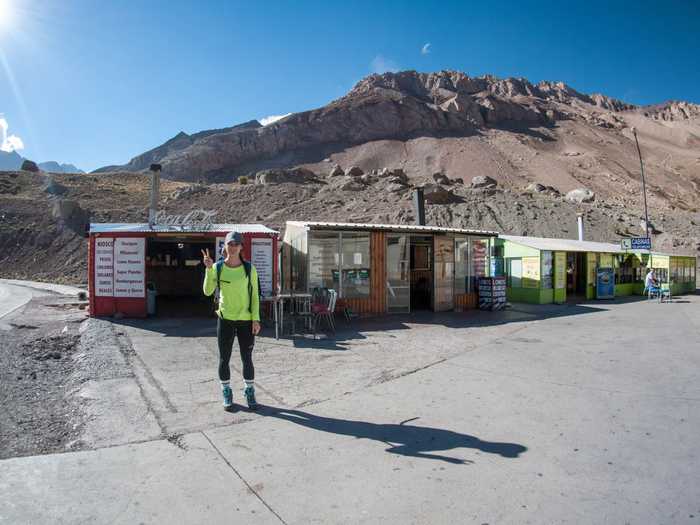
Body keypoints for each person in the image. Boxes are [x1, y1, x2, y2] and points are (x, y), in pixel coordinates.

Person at [202, 231, 261, 411]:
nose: (233, 247)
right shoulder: (217, 268)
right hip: (225, 319)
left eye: (236, 244)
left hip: (245, 320)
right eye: (230, 244)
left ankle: (249, 391)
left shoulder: (249, 269)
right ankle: (226, 391)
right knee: (224, 359)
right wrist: (208, 269)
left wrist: (255, 319)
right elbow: (207, 291)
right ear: (225, 246)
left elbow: (255, 296)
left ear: (241, 247)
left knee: (247, 358)